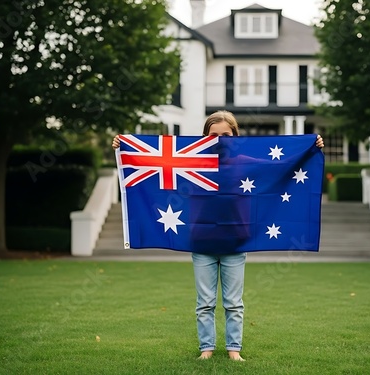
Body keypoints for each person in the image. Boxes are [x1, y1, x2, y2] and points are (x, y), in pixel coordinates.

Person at [112, 110, 324, 361]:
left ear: (235, 135)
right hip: (201, 240)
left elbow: (281, 166)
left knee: (234, 303)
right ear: (205, 137)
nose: (221, 139)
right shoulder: (190, 161)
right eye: (215, 135)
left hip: (236, 240)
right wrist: (123, 145)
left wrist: (310, 148)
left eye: (226, 134)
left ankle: (234, 350)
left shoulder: (247, 161)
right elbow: (153, 162)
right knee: (205, 302)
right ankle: (207, 349)